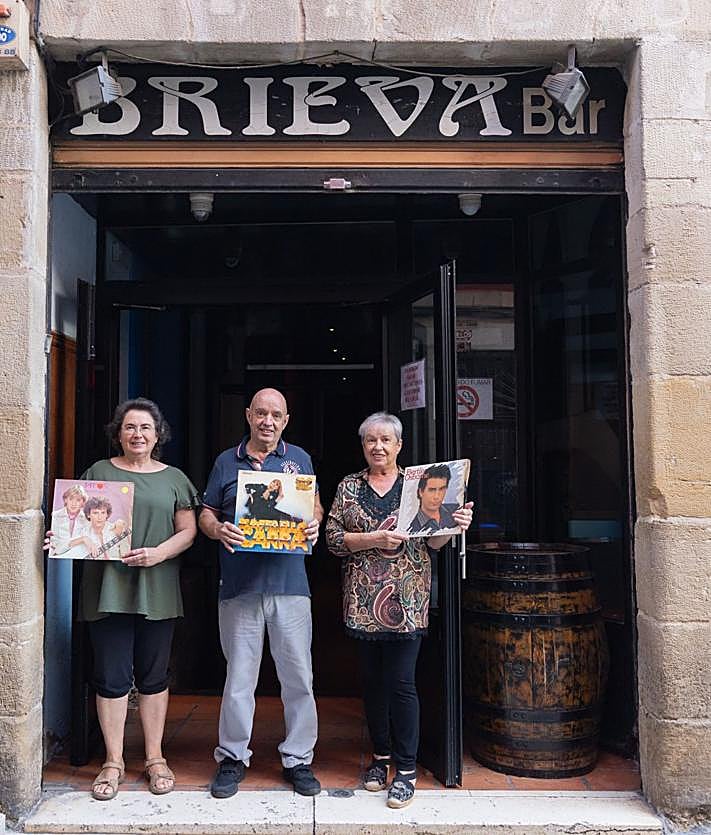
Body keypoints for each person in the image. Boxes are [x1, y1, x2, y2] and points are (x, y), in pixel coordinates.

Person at [45, 397, 199, 800]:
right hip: (108, 589)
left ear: (157, 434)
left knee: (154, 677)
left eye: (145, 428)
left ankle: (154, 757)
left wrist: (158, 553)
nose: (138, 434)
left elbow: (189, 531)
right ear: (118, 433)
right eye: (130, 427)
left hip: (157, 587)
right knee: (111, 678)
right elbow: (74, 520)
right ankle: (113, 761)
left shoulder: (174, 479)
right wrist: (58, 537)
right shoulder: (99, 473)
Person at [325, 412, 472, 810]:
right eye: (371, 440)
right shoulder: (349, 486)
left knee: (402, 683)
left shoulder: (419, 484)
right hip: (362, 602)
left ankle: (406, 769)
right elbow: (334, 540)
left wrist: (455, 524)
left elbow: (435, 543)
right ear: (363, 446)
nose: (378, 446)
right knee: (372, 683)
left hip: (407, 601)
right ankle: (380, 757)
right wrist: (373, 538)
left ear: (399, 445)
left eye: (386, 440)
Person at [199, 388, 323, 799]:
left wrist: (314, 524)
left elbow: (315, 506)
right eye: (261, 413)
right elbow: (207, 513)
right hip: (239, 586)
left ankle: (299, 758)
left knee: (299, 677)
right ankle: (232, 758)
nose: (267, 421)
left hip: (290, 586)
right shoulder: (224, 461)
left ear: (285, 420)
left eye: (276, 415)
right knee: (238, 678)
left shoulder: (299, 459)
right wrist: (217, 530)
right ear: (248, 415)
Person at [65, 495, 130, 560]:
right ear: (88, 515)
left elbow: (126, 556)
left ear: (107, 514)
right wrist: (84, 539)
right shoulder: (83, 530)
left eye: (103, 513)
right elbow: (63, 547)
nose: (99, 517)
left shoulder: (118, 528)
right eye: (95, 513)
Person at [406, 463, 459, 535]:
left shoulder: (456, 511)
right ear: (421, 492)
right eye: (432, 490)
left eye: (441, 489)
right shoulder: (409, 523)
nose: (437, 496)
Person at [49, 483, 90, 555]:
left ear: (83, 502)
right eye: (71, 499)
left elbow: (87, 543)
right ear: (65, 500)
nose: (74, 503)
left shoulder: (87, 519)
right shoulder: (55, 515)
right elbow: (54, 543)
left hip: (79, 557)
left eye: (78, 500)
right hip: (58, 555)